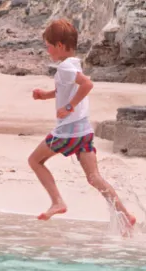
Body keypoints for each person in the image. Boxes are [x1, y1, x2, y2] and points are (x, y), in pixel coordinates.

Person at [28, 18, 136, 230]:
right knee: (94, 178)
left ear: (59, 45)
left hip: (68, 131)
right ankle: (124, 214)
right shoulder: (73, 64)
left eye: (48, 46)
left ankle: (57, 202)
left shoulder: (65, 68)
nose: (47, 51)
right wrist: (46, 95)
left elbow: (87, 84)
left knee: (35, 161)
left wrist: (68, 107)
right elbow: (67, 88)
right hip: (84, 130)